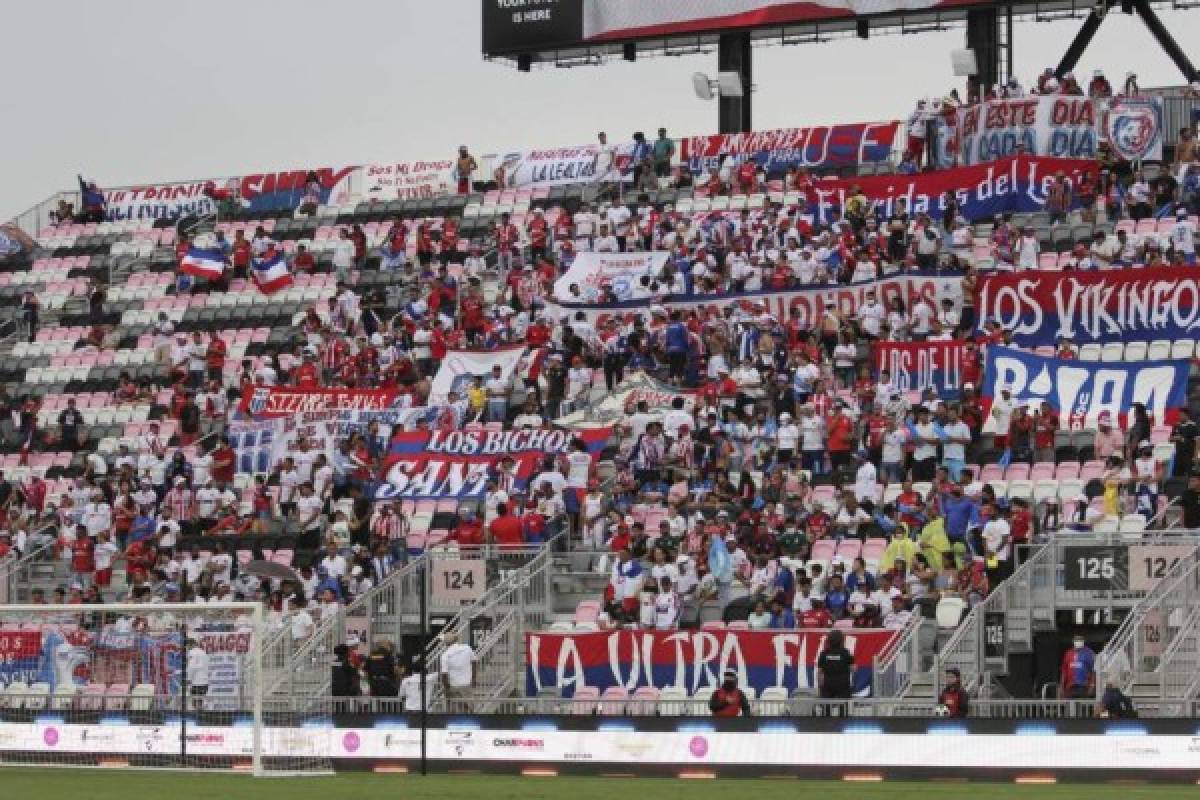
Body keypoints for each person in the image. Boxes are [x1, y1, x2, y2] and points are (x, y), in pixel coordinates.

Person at [439, 632, 475, 711]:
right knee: (469, 708)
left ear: (446, 643)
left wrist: (446, 688)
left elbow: (444, 674)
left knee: (454, 710)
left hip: (454, 685)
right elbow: (474, 662)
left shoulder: (445, 655)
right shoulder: (467, 648)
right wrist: (474, 678)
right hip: (467, 683)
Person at [817, 629, 854, 702]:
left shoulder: (824, 653)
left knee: (826, 708)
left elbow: (819, 672)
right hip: (843, 684)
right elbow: (853, 668)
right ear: (841, 640)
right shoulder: (845, 652)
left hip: (828, 684)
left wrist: (820, 686)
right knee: (843, 707)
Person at [1060, 635, 1097, 699]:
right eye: (1076, 640)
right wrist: (1061, 686)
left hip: (1084, 686)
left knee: (1082, 707)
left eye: (1080, 640)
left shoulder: (1089, 653)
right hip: (1070, 686)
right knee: (1070, 707)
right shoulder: (1068, 653)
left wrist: (1092, 685)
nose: (1078, 642)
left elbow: (1093, 670)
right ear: (1073, 642)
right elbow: (1064, 670)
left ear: (1083, 642)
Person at [185, 638, 210, 710]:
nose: (187, 649)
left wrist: (188, 679)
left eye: (187, 647)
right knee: (200, 703)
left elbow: (191, 667)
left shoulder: (192, 652)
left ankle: (197, 717)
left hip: (197, 682)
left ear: (190, 645)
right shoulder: (203, 652)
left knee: (195, 704)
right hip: (205, 682)